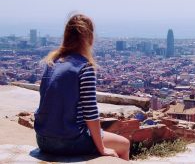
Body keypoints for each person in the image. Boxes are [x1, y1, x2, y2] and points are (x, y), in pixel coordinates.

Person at [34, 14, 130, 160]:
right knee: (124, 144)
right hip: (69, 141)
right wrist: (102, 148)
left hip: (42, 139)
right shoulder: (85, 67)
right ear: (89, 38)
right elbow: (90, 113)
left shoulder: (51, 63)